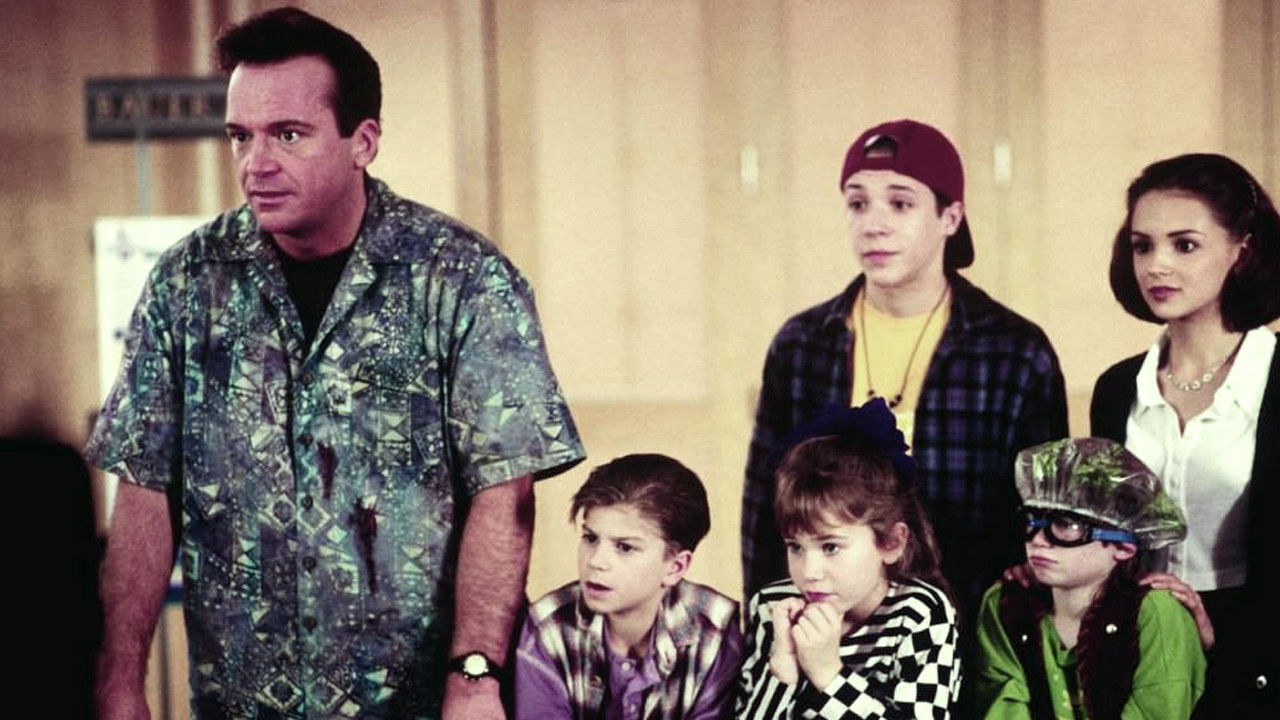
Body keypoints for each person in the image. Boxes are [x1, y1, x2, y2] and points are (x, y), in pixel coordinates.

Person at [86, 8, 584, 719]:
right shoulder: (186, 285)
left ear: (363, 141)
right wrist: (119, 681)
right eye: (241, 136)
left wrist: (475, 676)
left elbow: (504, 494)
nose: (256, 164)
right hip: (242, 702)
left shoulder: (463, 280)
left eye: (288, 134)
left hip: (419, 704)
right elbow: (143, 489)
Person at [741, 119, 1068, 622]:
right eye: (857, 204)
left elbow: (1042, 520)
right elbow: (766, 510)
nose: (873, 224)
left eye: (900, 204)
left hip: (970, 627)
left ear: (950, 217)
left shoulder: (1014, 351)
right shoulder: (803, 343)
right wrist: (766, 625)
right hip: (827, 627)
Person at [1090, 153, 1280, 718]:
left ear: (1242, 248)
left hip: (1257, 663)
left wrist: (1225, 632)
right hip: (1137, 650)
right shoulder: (1116, 388)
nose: (1157, 265)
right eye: (1142, 246)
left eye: (1185, 245)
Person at [737, 400, 962, 719]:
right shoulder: (772, 608)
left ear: (891, 543)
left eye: (830, 547)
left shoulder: (920, 615)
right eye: (795, 547)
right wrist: (783, 669)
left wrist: (828, 673)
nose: (809, 573)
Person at [977, 438, 1205, 719]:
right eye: (1032, 521)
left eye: (1067, 525)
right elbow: (1002, 704)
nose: (1037, 540)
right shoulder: (1006, 605)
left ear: (1123, 547)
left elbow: (1157, 711)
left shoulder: (1155, 613)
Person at [515, 454, 742, 719]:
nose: (596, 561)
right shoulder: (548, 626)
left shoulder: (715, 632)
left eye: (624, 547)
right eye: (590, 538)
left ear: (675, 567)